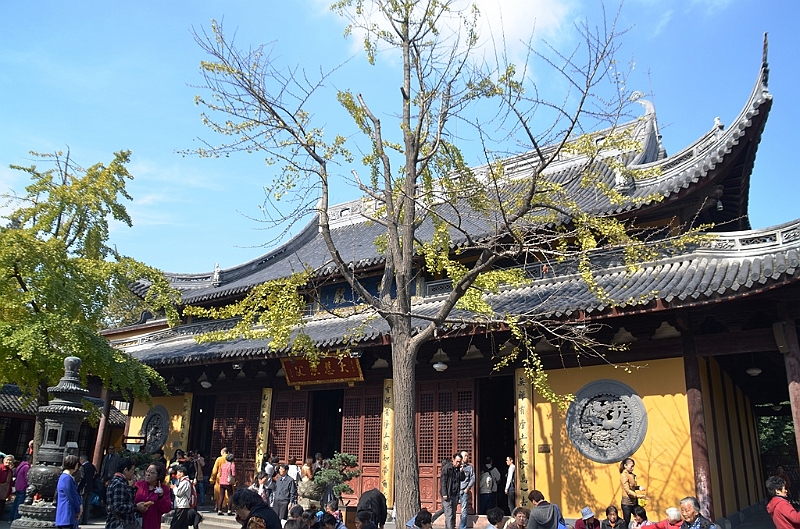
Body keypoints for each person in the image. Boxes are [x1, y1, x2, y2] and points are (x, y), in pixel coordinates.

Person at [106, 457, 152, 529]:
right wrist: (136, 507)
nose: (133, 473)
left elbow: (126, 500)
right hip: (119, 524)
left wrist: (131, 488)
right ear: (125, 470)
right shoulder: (119, 483)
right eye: (132, 470)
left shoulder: (119, 482)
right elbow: (118, 507)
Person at [134, 463, 172, 529]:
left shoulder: (164, 489)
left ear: (159, 475)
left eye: (152, 472)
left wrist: (161, 496)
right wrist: (137, 507)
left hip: (153, 524)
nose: (148, 474)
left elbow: (166, 509)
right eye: (147, 471)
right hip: (135, 523)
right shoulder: (138, 485)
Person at [55, 455, 82, 529]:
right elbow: (72, 496)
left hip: (66, 515)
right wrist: (78, 508)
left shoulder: (66, 477)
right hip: (67, 514)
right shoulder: (66, 478)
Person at [440, 453, 465, 529]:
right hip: (447, 494)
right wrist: (444, 493)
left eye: (460, 462)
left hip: (455, 494)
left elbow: (462, 478)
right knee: (449, 515)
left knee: (453, 515)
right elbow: (443, 481)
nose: (458, 463)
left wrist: (461, 471)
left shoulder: (458, 469)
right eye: (457, 461)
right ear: (453, 460)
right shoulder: (447, 468)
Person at [620, 459, 645, 528]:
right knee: (626, 521)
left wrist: (639, 487)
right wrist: (638, 496)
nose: (633, 468)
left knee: (642, 516)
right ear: (625, 466)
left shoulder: (631, 475)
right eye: (631, 466)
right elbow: (627, 490)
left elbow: (632, 487)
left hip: (634, 502)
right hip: (627, 503)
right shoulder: (624, 475)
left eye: (633, 466)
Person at [459, 451, 476, 529]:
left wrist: (467, 488)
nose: (466, 457)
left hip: (463, 490)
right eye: (465, 456)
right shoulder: (457, 466)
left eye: (467, 456)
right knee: (451, 508)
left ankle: (462, 527)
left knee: (464, 510)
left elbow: (473, 478)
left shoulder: (469, 467)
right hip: (455, 490)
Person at [78, 454, 96, 524]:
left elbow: (81, 478)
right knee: (87, 505)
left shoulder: (83, 467)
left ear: (82, 460)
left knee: (82, 504)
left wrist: (78, 486)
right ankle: (85, 520)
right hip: (90, 487)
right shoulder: (92, 466)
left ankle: (80, 519)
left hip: (83, 488)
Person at [11, 454, 30, 520]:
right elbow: (27, 477)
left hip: (18, 486)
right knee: (20, 503)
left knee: (15, 503)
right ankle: (16, 517)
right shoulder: (26, 467)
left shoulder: (20, 466)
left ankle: (11, 518)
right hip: (23, 487)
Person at [0, 455, 14, 521]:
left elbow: (10, 483)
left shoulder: (10, 471)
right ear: (4, 460)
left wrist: (9, 493)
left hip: (4, 493)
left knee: (1, 508)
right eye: (7, 460)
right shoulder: (0, 468)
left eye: (10, 460)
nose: (8, 462)